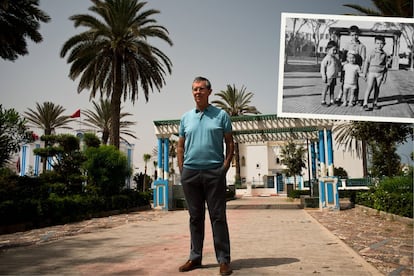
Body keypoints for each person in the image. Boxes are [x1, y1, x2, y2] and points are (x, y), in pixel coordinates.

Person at [177, 76, 234, 275]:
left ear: (209, 92)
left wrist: (224, 167)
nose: (197, 92)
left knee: (218, 217)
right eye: (194, 89)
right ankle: (195, 258)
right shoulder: (185, 118)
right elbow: (180, 146)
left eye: (201, 89)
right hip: (190, 174)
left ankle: (224, 260)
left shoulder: (221, 116)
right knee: (195, 217)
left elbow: (230, 143)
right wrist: (182, 170)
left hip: (214, 173)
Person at [336, 25, 366, 105]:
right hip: (347, 66)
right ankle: (340, 96)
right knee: (344, 82)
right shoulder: (347, 44)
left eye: (356, 34)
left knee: (355, 83)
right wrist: (343, 63)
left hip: (355, 67)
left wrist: (361, 68)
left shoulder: (362, 46)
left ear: (358, 35)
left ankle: (355, 99)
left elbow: (362, 58)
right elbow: (344, 55)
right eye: (352, 35)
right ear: (350, 35)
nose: (354, 37)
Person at [362, 36, 388, 111]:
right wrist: (364, 73)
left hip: (380, 74)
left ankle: (375, 102)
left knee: (377, 88)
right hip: (371, 73)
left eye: (381, 43)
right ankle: (365, 103)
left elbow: (386, 66)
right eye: (377, 43)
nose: (379, 45)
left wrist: (385, 77)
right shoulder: (371, 52)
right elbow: (366, 62)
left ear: (384, 44)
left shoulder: (384, 54)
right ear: (375, 44)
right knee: (369, 87)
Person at [320, 40, 341, 106]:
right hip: (328, 77)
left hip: (334, 77)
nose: (335, 52)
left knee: (332, 89)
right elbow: (322, 67)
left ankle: (332, 101)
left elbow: (338, 65)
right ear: (328, 50)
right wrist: (323, 76)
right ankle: (323, 101)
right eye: (333, 50)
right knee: (325, 89)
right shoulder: (327, 58)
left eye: (336, 50)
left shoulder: (335, 58)